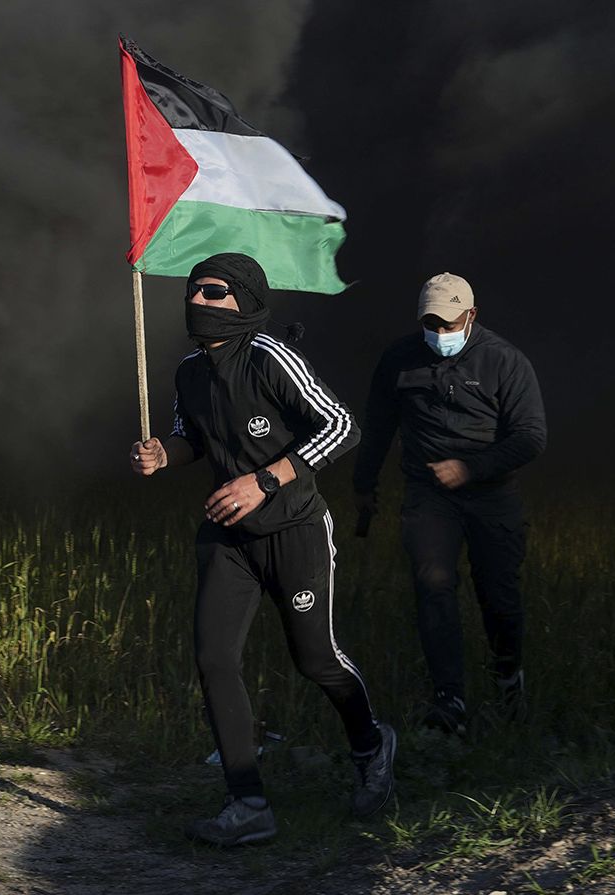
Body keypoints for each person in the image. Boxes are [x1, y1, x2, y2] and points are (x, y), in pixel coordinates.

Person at [130, 252, 395, 847]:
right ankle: (247, 803)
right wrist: (162, 455)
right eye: (193, 290)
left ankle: (372, 745)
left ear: (244, 301)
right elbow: (188, 438)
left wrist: (265, 480)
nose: (197, 300)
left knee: (315, 660)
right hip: (227, 538)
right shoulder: (189, 373)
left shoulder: (269, 356)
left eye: (214, 291)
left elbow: (341, 427)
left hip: (294, 528)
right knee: (214, 658)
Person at [353, 272, 546, 736]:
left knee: (498, 593)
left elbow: (532, 437)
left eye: (448, 323)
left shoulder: (505, 361)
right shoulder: (400, 359)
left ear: (470, 316)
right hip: (428, 494)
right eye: (430, 324)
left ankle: (508, 681)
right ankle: (449, 700)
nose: (439, 333)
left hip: (491, 494)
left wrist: (471, 468)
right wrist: (364, 484)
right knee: (433, 586)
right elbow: (378, 425)